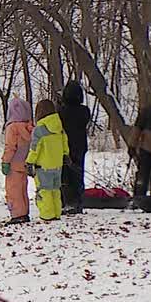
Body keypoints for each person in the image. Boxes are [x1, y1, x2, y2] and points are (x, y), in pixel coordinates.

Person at [27, 99, 69, 221]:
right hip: (58, 165)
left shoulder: (40, 129)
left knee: (44, 191)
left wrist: (29, 162)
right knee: (55, 190)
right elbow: (64, 142)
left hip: (43, 167)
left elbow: (35, 148)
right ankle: (56, 213)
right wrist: (65, 155)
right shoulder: (59, 126)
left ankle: (47, 215)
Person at [58, 81, 92, 214]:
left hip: (65, 146)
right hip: (80, 146)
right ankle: (77, 202)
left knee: (65, 175)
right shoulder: (84, 111)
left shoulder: (61, 111)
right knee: (78, 174)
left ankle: (66, 201)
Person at [1, 97, 34, 225]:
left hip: (13, 165)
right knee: (23, 189)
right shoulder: (29, 128)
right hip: (24, 163)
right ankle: (24, 212)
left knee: (13, 190)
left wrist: (5, 161)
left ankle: (17, 214)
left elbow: (10, 147)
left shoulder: (12, 128)